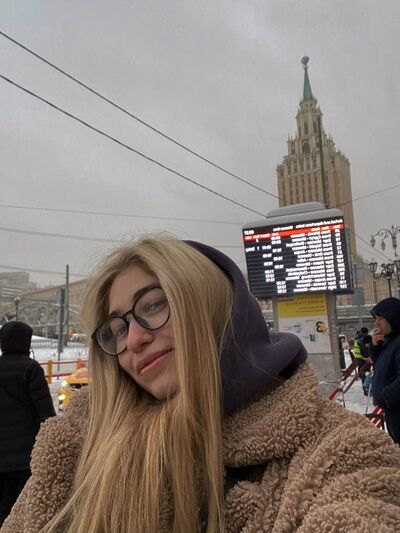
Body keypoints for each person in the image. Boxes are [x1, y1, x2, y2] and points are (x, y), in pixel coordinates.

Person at [2, 237, 400, 532]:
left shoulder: (339, 450)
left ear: (214, 306)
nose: (134, 339)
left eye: (153, 304)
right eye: (117, 329)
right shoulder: (80, 445)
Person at [0, 321, 56, 527]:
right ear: (26, 342)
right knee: (24, 510)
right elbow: (46, 414)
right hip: (26, 456)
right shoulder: (31, 369)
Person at [370, 297, 400, 444]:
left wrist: (386, 396)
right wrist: (375, 347)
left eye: (381, 318)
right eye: (376, 319)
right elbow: (382, 367)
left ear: (393, 318)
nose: (377, 323)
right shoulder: (390, 341)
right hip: (392, 411)